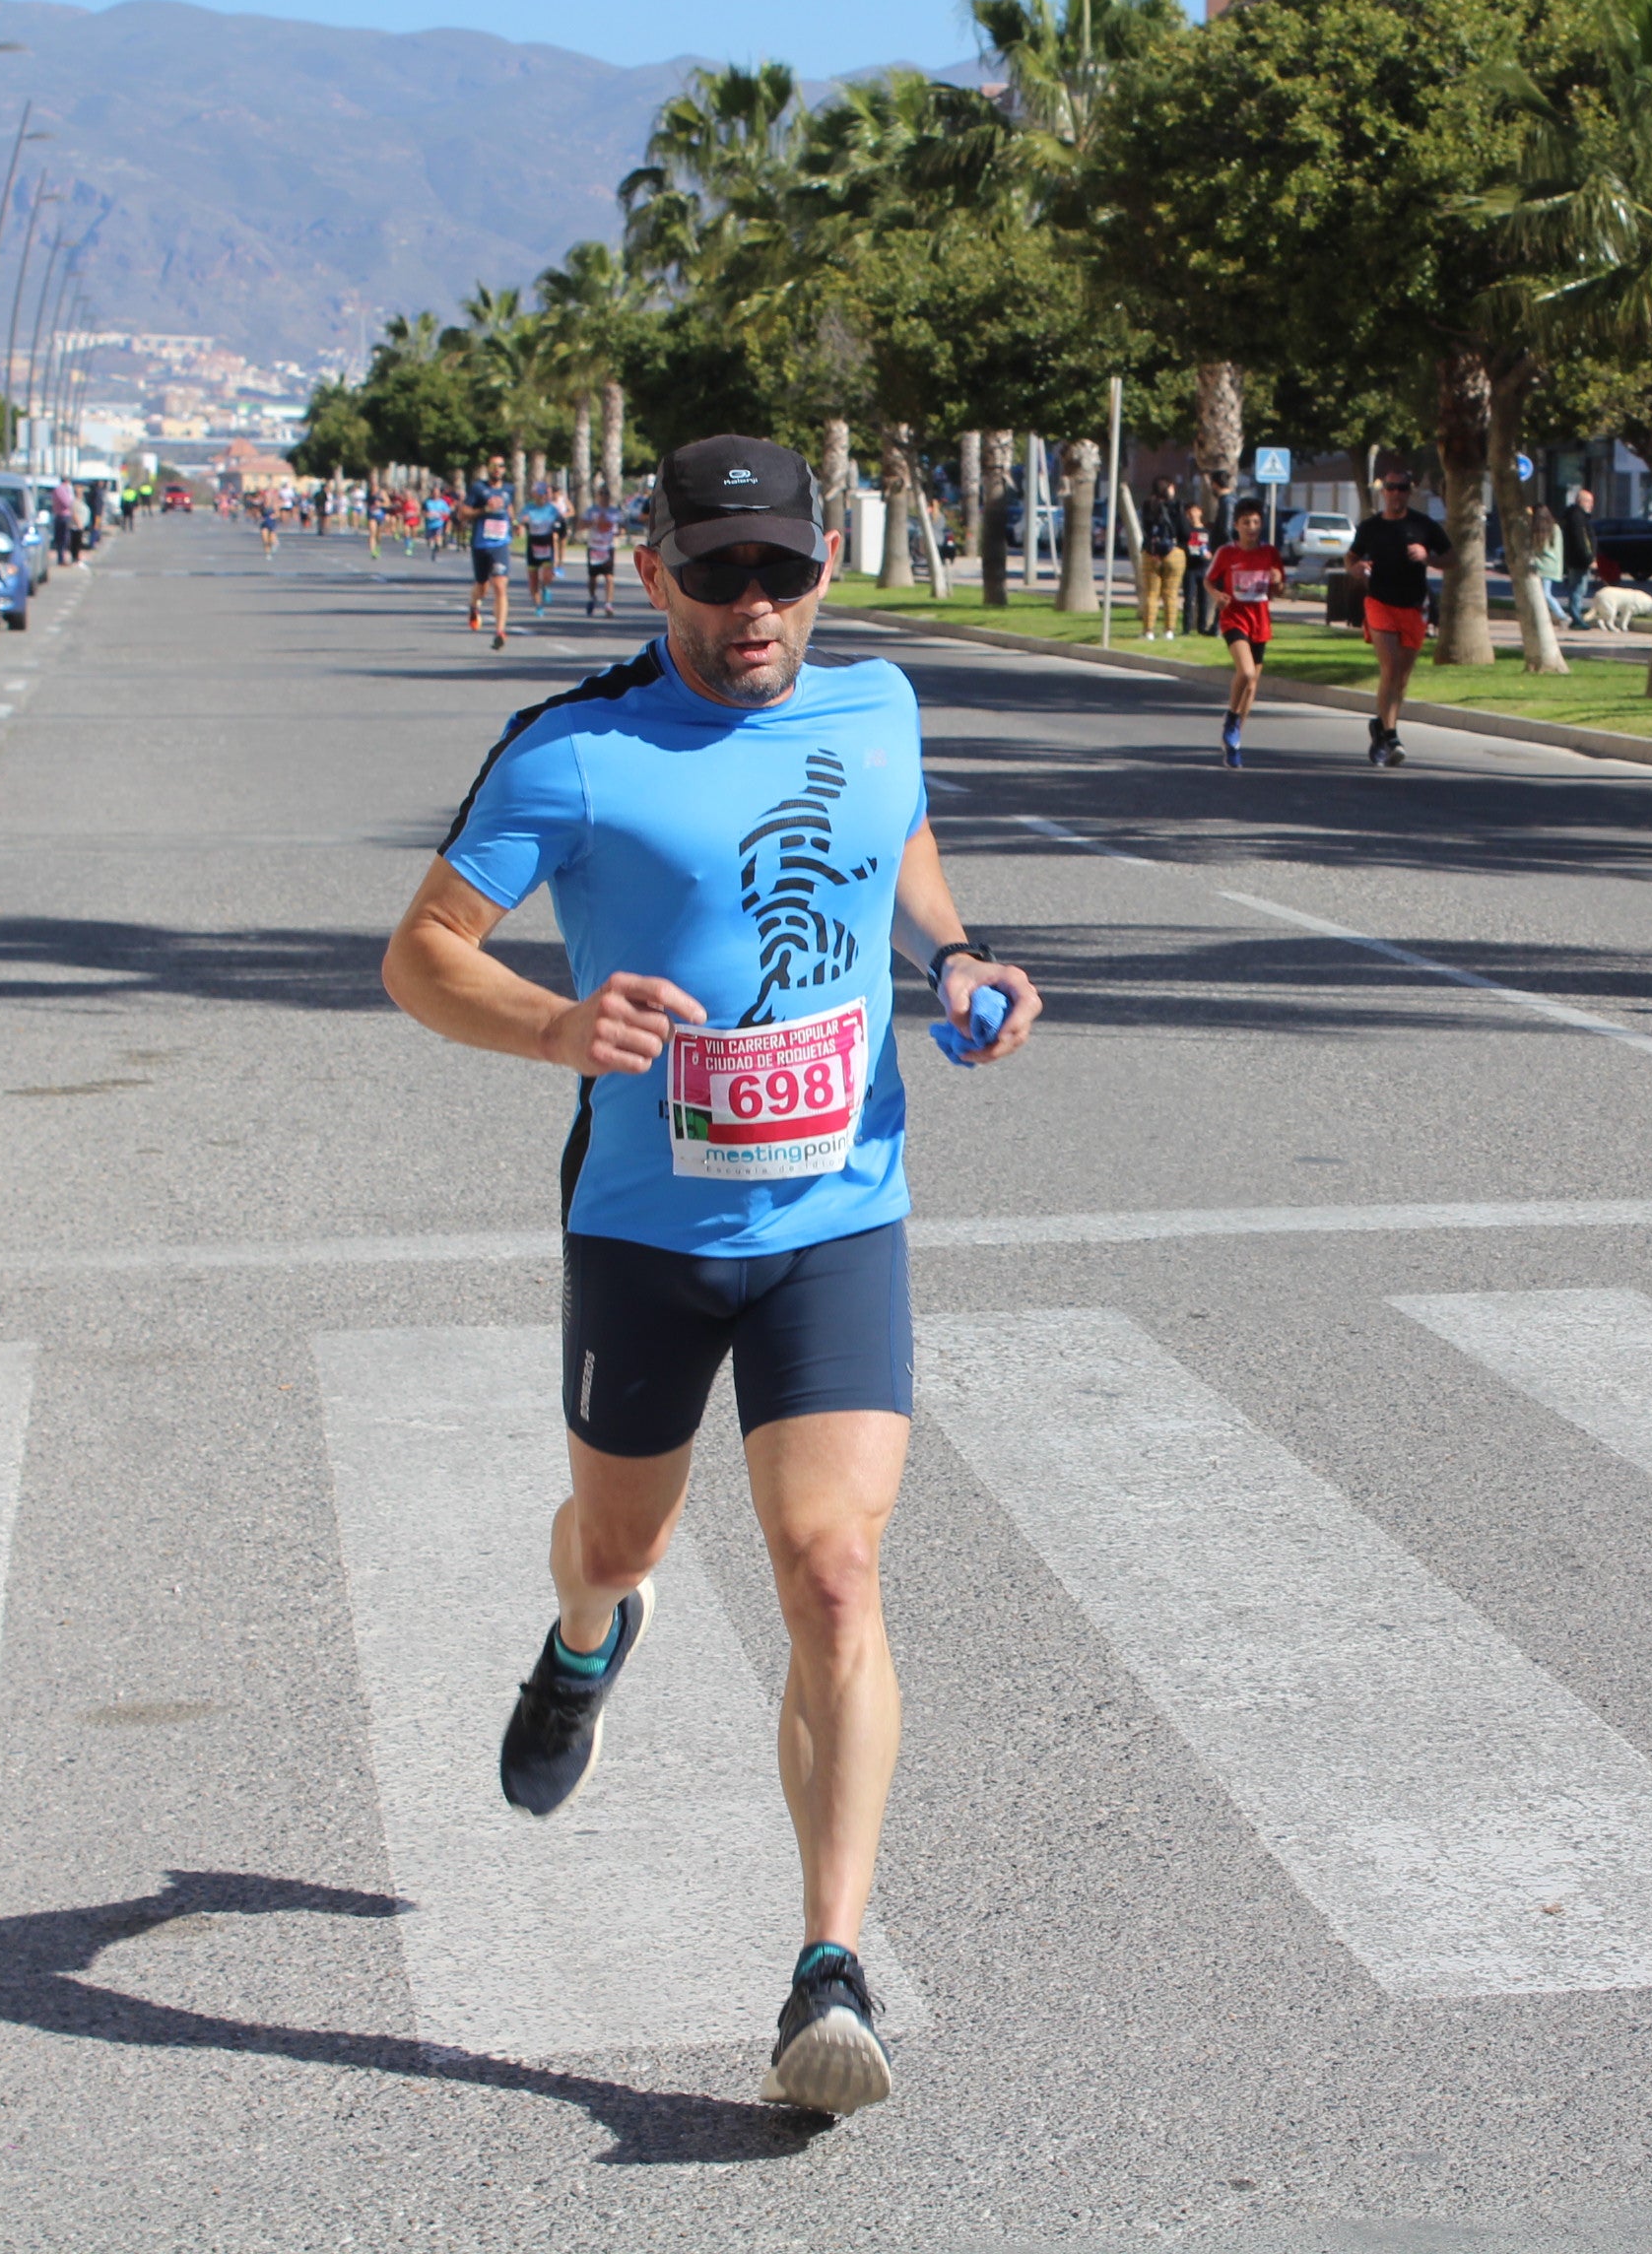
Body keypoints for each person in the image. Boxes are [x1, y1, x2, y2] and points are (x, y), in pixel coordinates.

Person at [381, 432, 1039, 2119]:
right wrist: (551, 1021)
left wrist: (954, 955)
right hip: (645, 1229)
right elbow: (419, 954)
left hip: (837, 1209)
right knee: (623, 1538)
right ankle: (587, 1638)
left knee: (834, 1572)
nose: (755, 607)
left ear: (823, 572)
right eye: (718, 572)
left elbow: (897, 840)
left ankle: (830, 1963)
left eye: (785, 573)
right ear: (653, 567)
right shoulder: (574, 751)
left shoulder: (877, 705)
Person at [1346, 472, 1449, 765]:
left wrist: (1427, 556)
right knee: (1390, 667)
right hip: (1379, 602)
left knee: (1401, 679)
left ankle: (1380, 726)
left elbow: (1453, 558)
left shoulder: (1423, 525)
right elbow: (1350, 557)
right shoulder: (1371, 527)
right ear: (1383, 492)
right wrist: (1356, 567)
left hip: (1413, 607)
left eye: (1402, 488)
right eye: (1391, 488)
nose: (1396, 493)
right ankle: (1391, 736)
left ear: (1409, 492)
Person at [1205, 497, 1284, 768]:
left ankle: (1234, 740)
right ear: (1236, 525)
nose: (1252, 527)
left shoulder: (1269, 553)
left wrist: (1278, 580)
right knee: (1246, 672)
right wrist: (1217, 595)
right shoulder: (1227, 553)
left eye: (1256, 522)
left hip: (1260, 622)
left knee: (1252, 685)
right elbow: (1209, 579)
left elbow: (1278, 590)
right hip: (1234, 619)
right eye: (1246, 522)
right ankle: (1231, 717)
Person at [465, 461, 514, 649]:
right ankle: (474, 605)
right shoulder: (478, 488)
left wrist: (514, 521)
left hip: (500, 544)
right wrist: (484, 510)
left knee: (500, 585)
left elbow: (509, 508)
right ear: (488, 468)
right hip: (480, 543)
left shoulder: (510, 489)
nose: (498, 469)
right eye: (494, 465)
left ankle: (499, 631)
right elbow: (464, 512)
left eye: (501, 465)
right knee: (482, 587)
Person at [1137, 477, 1188, 639]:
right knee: (1171, 593)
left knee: (1151, 594)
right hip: (1174, 552)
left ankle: (1148, 631)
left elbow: (1145, 528)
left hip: (1150, 553)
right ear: (1169, 488)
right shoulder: (1177, 506)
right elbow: (1185, 532)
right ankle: (1169, 630)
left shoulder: (1148, 505)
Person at [1555, 485, 1599, 628]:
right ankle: (1576, 618)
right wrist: (1589, 559)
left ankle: (1576, 616)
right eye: (1589, 502)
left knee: (1578, 588)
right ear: (1581, 501)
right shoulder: (1577, 517)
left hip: (1576, 559)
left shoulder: (1576, 515)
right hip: (1579, 560)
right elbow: (1582, 540)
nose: (1591, 505)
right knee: (1578, 589)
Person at [523, 483, 563, 613]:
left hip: (547, 543)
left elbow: (559, 527)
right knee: (532, 578)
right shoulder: (529, 508)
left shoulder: (552, 509)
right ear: (534, 495)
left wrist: (558, 555)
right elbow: (520, 520)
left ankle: (545, 586)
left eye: (545, 494)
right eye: (540, 494)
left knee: (548, 575)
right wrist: (522, 521)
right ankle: (538, 605)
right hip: (533, 543)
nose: (543, 497)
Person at [582, 494, 622, 615]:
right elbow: (580, 525)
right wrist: (594, 523)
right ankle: (592, 597)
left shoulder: (614, 512)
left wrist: (619, 531)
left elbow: (622, 527)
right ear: (598, 497)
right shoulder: (591, 511)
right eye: (602, 496)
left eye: (606, 496)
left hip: (607, 547)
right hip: (594, 546)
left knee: (609, 577)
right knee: (593, 577)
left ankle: (608, 604)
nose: (604, 499)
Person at [1181, 497, 1214, 635]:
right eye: (1189, 513)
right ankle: (1186, 628)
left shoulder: (1207, 531)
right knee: (1189, 599)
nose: (1192, 515)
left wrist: (1210, 555)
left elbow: (1212, 548)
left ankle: (1202, 628)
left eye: (1194, 511)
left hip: (1204, 568)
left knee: (1203, 600)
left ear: (1200, 512)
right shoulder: (1186, 531)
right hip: (1190, 568)